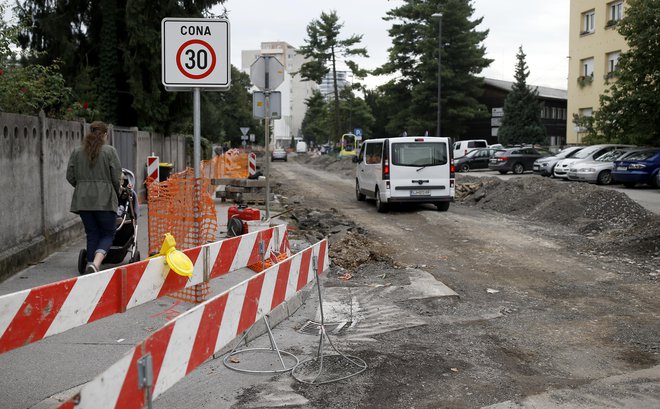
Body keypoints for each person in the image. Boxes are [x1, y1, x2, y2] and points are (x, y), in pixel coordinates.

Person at [66, 121, 122, 274]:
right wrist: (118, 191)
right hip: (105, 200)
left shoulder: (77, 152)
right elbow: (117, 178)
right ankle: (96, 264)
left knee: (92, 234)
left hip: (83, 201)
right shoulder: (109, 151)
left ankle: (90, 263)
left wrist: (82, 187)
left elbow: (70, 176)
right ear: (104, 134)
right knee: (108, 233)